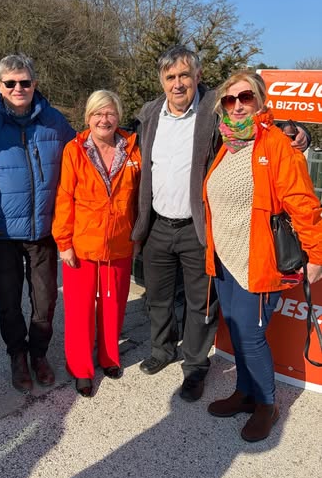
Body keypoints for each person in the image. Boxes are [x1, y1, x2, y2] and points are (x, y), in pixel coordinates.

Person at [132, 45, 310, 403]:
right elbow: (120, 134)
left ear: (198, 76)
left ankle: (195, 367)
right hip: (157, 224)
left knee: (201, 303)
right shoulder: (150, 113)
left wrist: (298, 130)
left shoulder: (215, 109)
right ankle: (162, 349)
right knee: (159, 296)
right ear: (161, 81)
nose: (178, 84)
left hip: (198, 227)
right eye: (170, 77)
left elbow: (258, 124)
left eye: (184, 75)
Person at [203, 70, 322, 442]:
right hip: (225, 257)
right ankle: (244, 392)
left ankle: (267, 405)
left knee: (252, 336)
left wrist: (316, 255)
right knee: (236, 330)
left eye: (246, 97)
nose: (238, 105)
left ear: (260, 101)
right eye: (230, 99)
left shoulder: (275, 144)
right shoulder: (227, 143)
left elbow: (303, 203)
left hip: (257, 259)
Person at [0, 54, 75, 392]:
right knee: (8, 301)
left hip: (43, 230)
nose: (18, 88)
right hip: (1, 232)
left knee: (45, 300)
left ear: (35, 84)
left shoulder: (54, 122)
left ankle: (39, 353)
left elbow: (81, 159)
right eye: (11, 83)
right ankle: (17, 354)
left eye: (25, 82)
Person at [52, 90, 141, 397]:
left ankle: (109, 357)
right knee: (80, 312)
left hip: (120, 243)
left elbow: (140, 198)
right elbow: (64, 197)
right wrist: (64, 242)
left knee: (113, 306)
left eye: (110, 113)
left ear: (119, 117)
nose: (104, 119)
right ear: (88, 118)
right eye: (97, 114)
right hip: (82, 246)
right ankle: (81, 368)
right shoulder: (75, 150)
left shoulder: (133, 150)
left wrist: (137, 236)